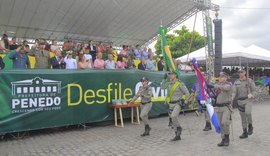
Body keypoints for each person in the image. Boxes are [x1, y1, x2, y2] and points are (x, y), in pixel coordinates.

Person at [161, 71, 190, 141]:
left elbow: (187, 93)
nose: (170, 76)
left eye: (172, 74)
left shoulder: (180, 84)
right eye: (170, 74)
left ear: (175, 75)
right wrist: (164, 79)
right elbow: (162, 88)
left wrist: (185, 102)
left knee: (174, 116)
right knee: (172, 120)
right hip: (170, 104)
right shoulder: (169, 83)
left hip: (178, 103)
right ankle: (177, 135)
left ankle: (179, 128)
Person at [208, 72, 232, 147]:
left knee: (224, 122)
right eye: (220, 77)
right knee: (220, 124)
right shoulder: (217, 86)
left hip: (226, 107)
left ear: (226, 78)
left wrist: (214, 86)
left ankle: (227, 137)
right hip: (218, 107)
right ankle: (223, 139)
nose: (221, 78)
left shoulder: (229, 84)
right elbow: (214, 95)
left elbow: (225, 88)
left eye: (223, 77)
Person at [232, 69, 256, 139]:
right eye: (239, 72)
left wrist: (252, 94)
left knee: (248, 112)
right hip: (240, 101)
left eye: (242, 72)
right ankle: (244, 131)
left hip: (248, 100)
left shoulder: (249, 81)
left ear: (245, 73)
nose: (240, 73)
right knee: (242, 117)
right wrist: (232, 97)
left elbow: (255, 90)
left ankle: (250, 125)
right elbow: (234, 91)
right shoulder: (236, 82)